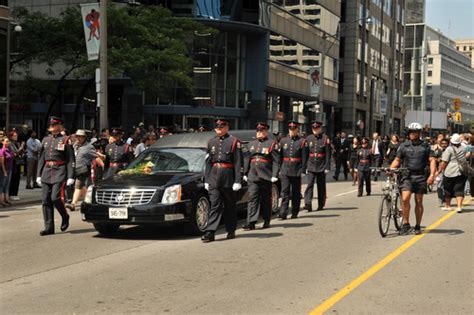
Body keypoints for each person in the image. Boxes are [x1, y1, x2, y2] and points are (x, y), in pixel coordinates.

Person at [390, 122, 436, 235]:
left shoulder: (425, 146)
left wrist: (432, 175)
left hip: (420, 176)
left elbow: (432, 160)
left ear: (419, 133)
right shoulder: (403, 146)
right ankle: (406, 224)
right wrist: (390, 169)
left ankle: (417, 225)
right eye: (410, 132)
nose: (411, 134)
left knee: (419, 201)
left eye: (414, 132)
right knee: (405, 198)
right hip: (406, 175)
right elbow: (397, 160)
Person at [202, 118, 242, 242]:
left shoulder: (234, 142)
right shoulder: (211, 142)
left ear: (226, 128)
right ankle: (210, 232)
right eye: (217, 127)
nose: (219, 129)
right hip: (214, 177)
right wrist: (207, 179)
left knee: (230, 205)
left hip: (228, 177)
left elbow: (238, 162)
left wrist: (238, 180)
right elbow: (208, 162)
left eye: (221, 127)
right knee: (215, 205)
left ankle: (231, 229)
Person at [36, 117, 75, 236]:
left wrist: (70, 176)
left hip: (60, 171)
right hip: (47, 172)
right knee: (45, 200)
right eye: (51, 124)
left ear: (60, 126)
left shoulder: (65, 140)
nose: (52, 126)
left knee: (55, 198)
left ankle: (65, 216)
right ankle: (49, 227)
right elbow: (42, 158)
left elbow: (70, 159)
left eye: (55, 124)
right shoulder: (45, 140)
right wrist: (38, 174)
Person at [242, 123, 280, 230]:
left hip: (266, 175)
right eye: (258, 131)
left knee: (266, 199)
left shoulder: (272, 144)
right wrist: (245, 173)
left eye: (261, 131)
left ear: (266, 131)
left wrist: (274, 174)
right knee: (252, 198)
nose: (259, 133)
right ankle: (251, 222)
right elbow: (247, 159)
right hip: (253, 175)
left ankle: (266, 219)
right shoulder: (251, 144)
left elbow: (276, 161)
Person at [279, 121, 307, 219]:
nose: (292, 131)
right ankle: (283, 212)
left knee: (295, 192)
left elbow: (304, 157)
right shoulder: (283, 141)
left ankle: (295, 212)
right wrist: (279, 169)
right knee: (285, 191)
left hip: (296, 169)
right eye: (290, 129)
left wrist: (303, 170)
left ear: (297, 130)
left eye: (293, 129)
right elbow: (280, 156)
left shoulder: (302, 141)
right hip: (285, 168)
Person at [66, 129, 97, 211]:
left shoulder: (89, 147)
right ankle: (89, 201)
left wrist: (103, 165)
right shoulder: (75, 145)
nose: (78, 138)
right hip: (75, 169)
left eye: (80, 137)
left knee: (78, 185)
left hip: (83, 169)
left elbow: (96, 157)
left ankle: (73, 204)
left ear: (84, 138)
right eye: (77, 137)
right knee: (82, 187)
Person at [436, 134, 467, 213]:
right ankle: (459, 206)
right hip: (462, 170)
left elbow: (444, 162)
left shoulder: (449, 149)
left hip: (450, 171)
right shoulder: (464, 148)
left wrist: (439, 170)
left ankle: (448, 205)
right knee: (459, 189)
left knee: (447, 189)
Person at [304, 120, 330, 211]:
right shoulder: (308, 138)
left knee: (321, 186)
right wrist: (305, 167)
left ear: (320, 128)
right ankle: (308, 203)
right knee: (309, 185)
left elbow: (327, 154)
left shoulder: (325, 138)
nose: (315, 129)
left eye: (317, 128)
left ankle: (321, 204)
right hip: (311, 164)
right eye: (313, 128)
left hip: (321, 165)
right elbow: (306, 154)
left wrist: (327, 167)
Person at [8, 131, 25, 201]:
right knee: (13, 178)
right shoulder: (10, 144)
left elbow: (19, 152)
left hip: (19, 162)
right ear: (11, 137)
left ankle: (15, 193)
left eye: (16, 135)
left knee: (17, 178)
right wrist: (21, 147)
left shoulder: (17, 143)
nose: (16, 137)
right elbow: (15, 153)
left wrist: (23, 151)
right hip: (14, 163)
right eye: (14, 136)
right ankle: (11, 193)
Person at [0, 137, 13, 207]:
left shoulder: (9, 150)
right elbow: (2, 162)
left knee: (7, 185)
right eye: (6, 141)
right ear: (2, 142)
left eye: (8, 141)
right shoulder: (2, 151)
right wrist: (4, 171)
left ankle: (6, 199)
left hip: (10, 169)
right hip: (4, 170)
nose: (8, 143)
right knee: (2, 185)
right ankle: (1, 200)